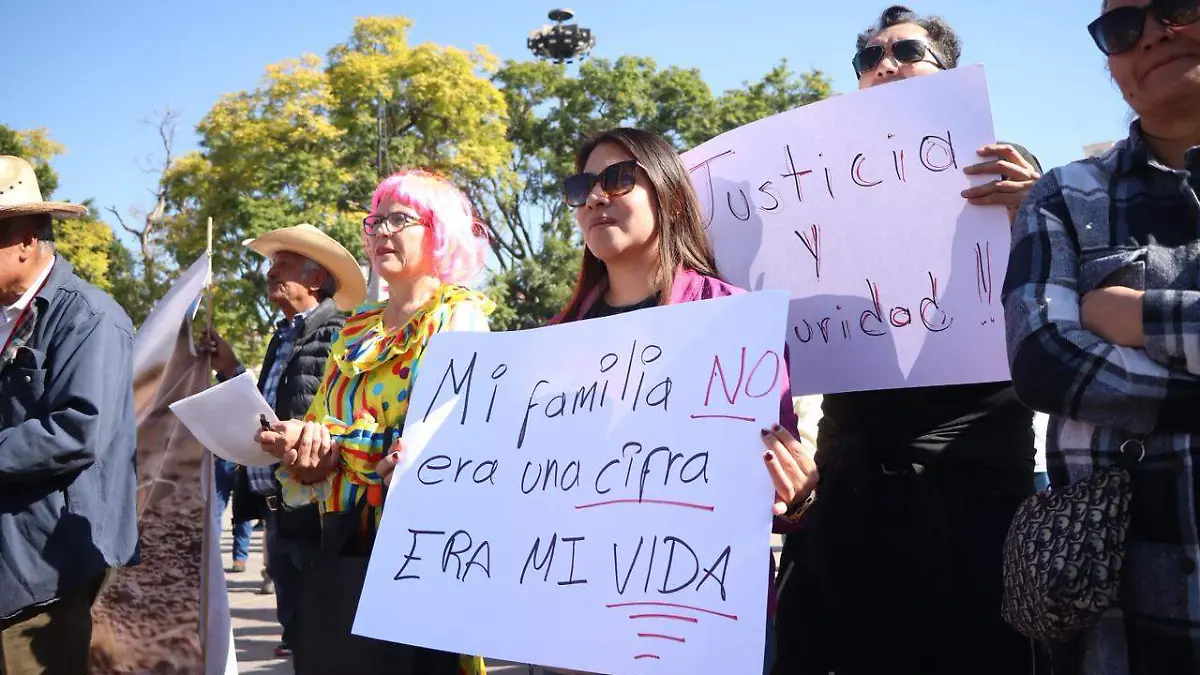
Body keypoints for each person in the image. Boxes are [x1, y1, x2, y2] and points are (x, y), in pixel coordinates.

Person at [376, 129, 820, 675]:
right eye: (582, 185)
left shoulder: (737, 324)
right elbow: (520, 482)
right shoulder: (548, 344)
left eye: (618, 179)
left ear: (669, 194)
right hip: (574, 630)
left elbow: (772, 494)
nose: (594, 198)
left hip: (699, 630)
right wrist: (432, 475)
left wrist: (794, 496)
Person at [771, 7, 1045, 675]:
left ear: (947, 71)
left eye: (907, 50)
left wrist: (1035, 212)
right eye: (868, 59)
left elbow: (1057, 296)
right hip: (851, 488)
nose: (885, 64)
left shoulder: (1010, 171)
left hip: (973, 485)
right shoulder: (816, 187)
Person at [1004, 0, 1200, 672]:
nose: (1152, 34)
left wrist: (1138, 317)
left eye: (1177, 5)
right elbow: (1046, 361)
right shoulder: (1064, 195)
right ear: (1113, 65)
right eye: (1122, 29)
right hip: (1120, 625)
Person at [256, 170, 492, 675]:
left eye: (399, 220)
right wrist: (303, 445)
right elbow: (324, 420)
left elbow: (446, 444)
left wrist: (341, 448)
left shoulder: (459, 315)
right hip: (345, 546)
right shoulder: (358, 325)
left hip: (422, 552)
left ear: (439, 231)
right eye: (375, 221)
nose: (381, 232)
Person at [0, 155, 139, 674]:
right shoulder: (8, 315)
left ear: (25, 241)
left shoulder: (90, 317)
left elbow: (78, 430)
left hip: (45, 567)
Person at [201, 223, 365, 661]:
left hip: (317, 511)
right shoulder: (283, 335)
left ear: (316, 278)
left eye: (284, 264)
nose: (272, 273)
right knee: (298, 630)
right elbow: (268, 412)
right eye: (272, 265)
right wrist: (231, 369)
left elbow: (335, 419)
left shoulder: (340, 333)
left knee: (323, 637)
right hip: (280, 509)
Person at [213, 456, 254, 573]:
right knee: (215, 513)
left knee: (242, 513)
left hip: (240, 461)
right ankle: (213, 556)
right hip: (221, 461)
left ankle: (239, 558)